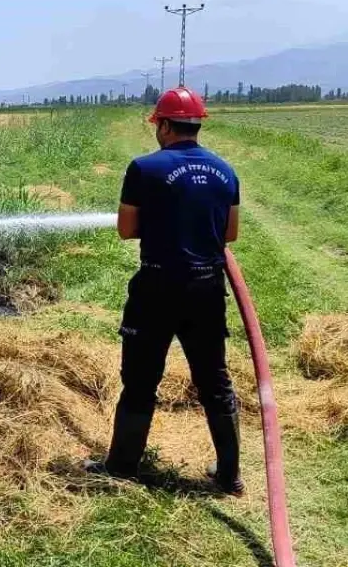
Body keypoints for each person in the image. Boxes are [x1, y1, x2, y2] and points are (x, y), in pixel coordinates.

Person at [84, 86, 244, 496]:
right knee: (214, 381)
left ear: (166, 125)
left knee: (140, 380)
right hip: (207, 287)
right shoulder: (226, 171)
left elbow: (126, 230)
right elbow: (230, 234)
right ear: (198, 125)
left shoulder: (143, 168)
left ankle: (121, 468)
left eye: (158, 125)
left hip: (157, 287)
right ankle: (229, 475)